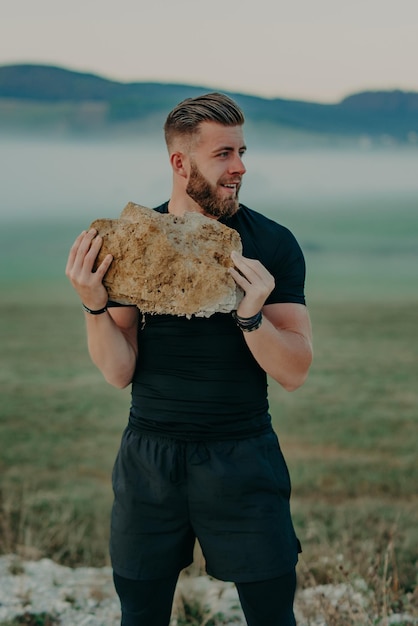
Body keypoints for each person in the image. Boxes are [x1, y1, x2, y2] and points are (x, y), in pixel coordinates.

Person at [65, 92, 313, 626]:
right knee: (141, 616)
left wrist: (251, 315)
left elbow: (294, 370)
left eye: (242, 151)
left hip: (243, 457)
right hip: (149, 461)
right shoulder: (134, 243)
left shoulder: (272, 243)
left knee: (273, 618)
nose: (241, 166)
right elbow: (118, 370)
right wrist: (94, 304)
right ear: (180, 163)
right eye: (224, 153)